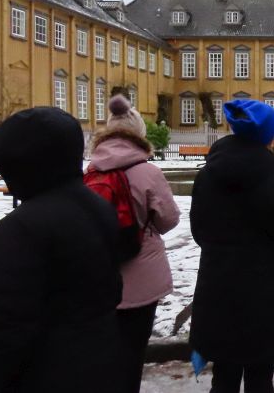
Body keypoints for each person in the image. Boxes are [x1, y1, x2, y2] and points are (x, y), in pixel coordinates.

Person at [0, 107, 123, 392]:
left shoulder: (21, 229)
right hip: (101, 360)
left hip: (46, 372)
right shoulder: (97, 206)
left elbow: (8, 327)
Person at [189, 100, 274, 393]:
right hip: (267, 296)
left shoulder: (207, 177)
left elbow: (199, 231)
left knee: (223, 377)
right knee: (260, 379)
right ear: (270, 138)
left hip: (218, 289)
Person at [88, 95, 180, 392]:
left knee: (101, 353)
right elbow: (169, 219)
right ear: (138, 133)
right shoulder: (148, 172)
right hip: (141, 276)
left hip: (99, 276)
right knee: (132, 353)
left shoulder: (91, 171)